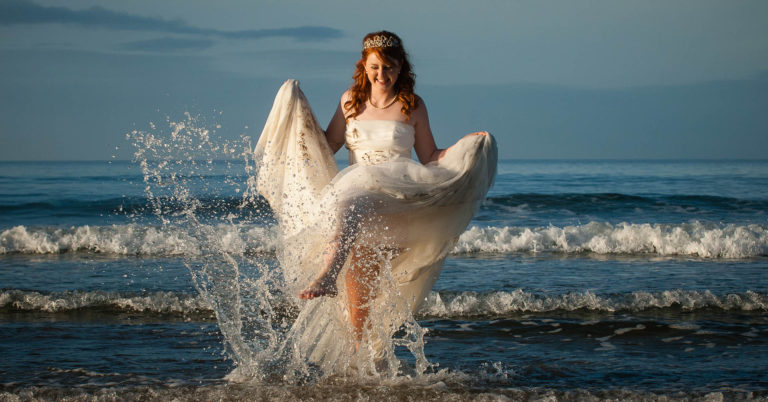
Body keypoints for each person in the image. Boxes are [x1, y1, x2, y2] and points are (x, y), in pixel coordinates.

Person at [254, 31, 496, 371]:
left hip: (396, 200)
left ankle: (328, 274)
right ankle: (360, 363)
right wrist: (299, 113)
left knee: (353, 209)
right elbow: (327, 146)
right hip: (358, 202)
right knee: (360, 292)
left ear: (401, 68)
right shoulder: (350, 101)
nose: (381, 75)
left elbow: (429, 155)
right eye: (375, 67)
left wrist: (467, 146)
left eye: (389, 67)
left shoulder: (412, 104)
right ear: (364, 66)